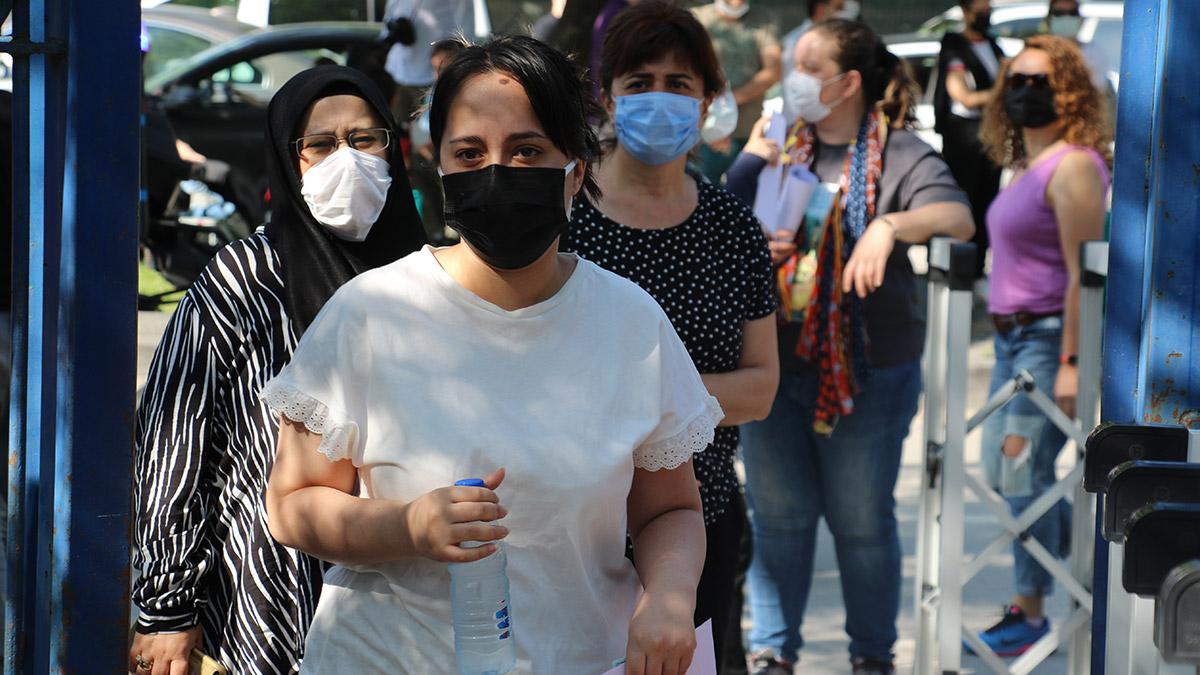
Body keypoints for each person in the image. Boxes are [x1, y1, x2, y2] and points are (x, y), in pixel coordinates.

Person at [262, 35, 720, 674]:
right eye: (470, 152)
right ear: (440, 167)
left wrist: (669, 599)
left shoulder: (629, 321)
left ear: (576, 171)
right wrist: (406, 527)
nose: (498, 172)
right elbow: (293, 503)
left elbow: (669, 508)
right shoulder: (370, 313)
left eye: (528, 150)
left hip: (584, 658)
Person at [129, 66, 427, 675]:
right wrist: (167, 609)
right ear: (289, 162)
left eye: (366, 139)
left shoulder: (425, 277)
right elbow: (174, 444)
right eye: (320, 144)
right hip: (270, 605)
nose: (347, 158)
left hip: (407, 602)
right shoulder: (246, 279)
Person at [724, 18, 974, 675]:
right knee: (778, 517)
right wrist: (752, 163)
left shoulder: (898, 153)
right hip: (772, 365)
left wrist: (889, 224)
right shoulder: (776, 142)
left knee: (861, 522)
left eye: (808, 67)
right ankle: (773, 653)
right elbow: (716, 220)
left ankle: (871, 657)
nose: (792, 80)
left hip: (866, 368)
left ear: (850, 82)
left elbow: (957, 216)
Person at [561, 1, 779, 670]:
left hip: (699, 521)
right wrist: (678, 402)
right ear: (607, 98)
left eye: (680, 84)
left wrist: (639, 396)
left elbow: (761, 386)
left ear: (710, 100)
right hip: (570, 526)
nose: (660, 98)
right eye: (639, 82)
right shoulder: (561, 215)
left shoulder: (732, 225)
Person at [969, 33, 1111, 657]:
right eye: (1017, 80)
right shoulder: (1025, 162)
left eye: (1042, 81)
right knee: (1006, 470)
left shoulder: (1075, 163)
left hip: (1048, 336)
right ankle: (1080, 575)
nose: (1026, 91)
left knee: (1021, 471)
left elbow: (1086, 272)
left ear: (1071, 91)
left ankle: (1036, 610)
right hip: (1009, 338)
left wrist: (1072, 362)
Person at [934, 0, 1004, 279]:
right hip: (963, 143)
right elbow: (963, 96)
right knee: (962, 207)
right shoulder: (954, 46)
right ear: (965, 11)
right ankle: (952, 273)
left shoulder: (993, 46)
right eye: (980, 9)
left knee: (986, 208)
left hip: (990, 142)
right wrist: (1000, 94)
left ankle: (974, 274)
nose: (986, 14)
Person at [692, 0, 782, 184]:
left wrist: (727, 104)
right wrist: (714, 124)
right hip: (703, 135)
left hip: (747, 132)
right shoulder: (697, 19)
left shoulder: (764, 19)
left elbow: (773, 72)